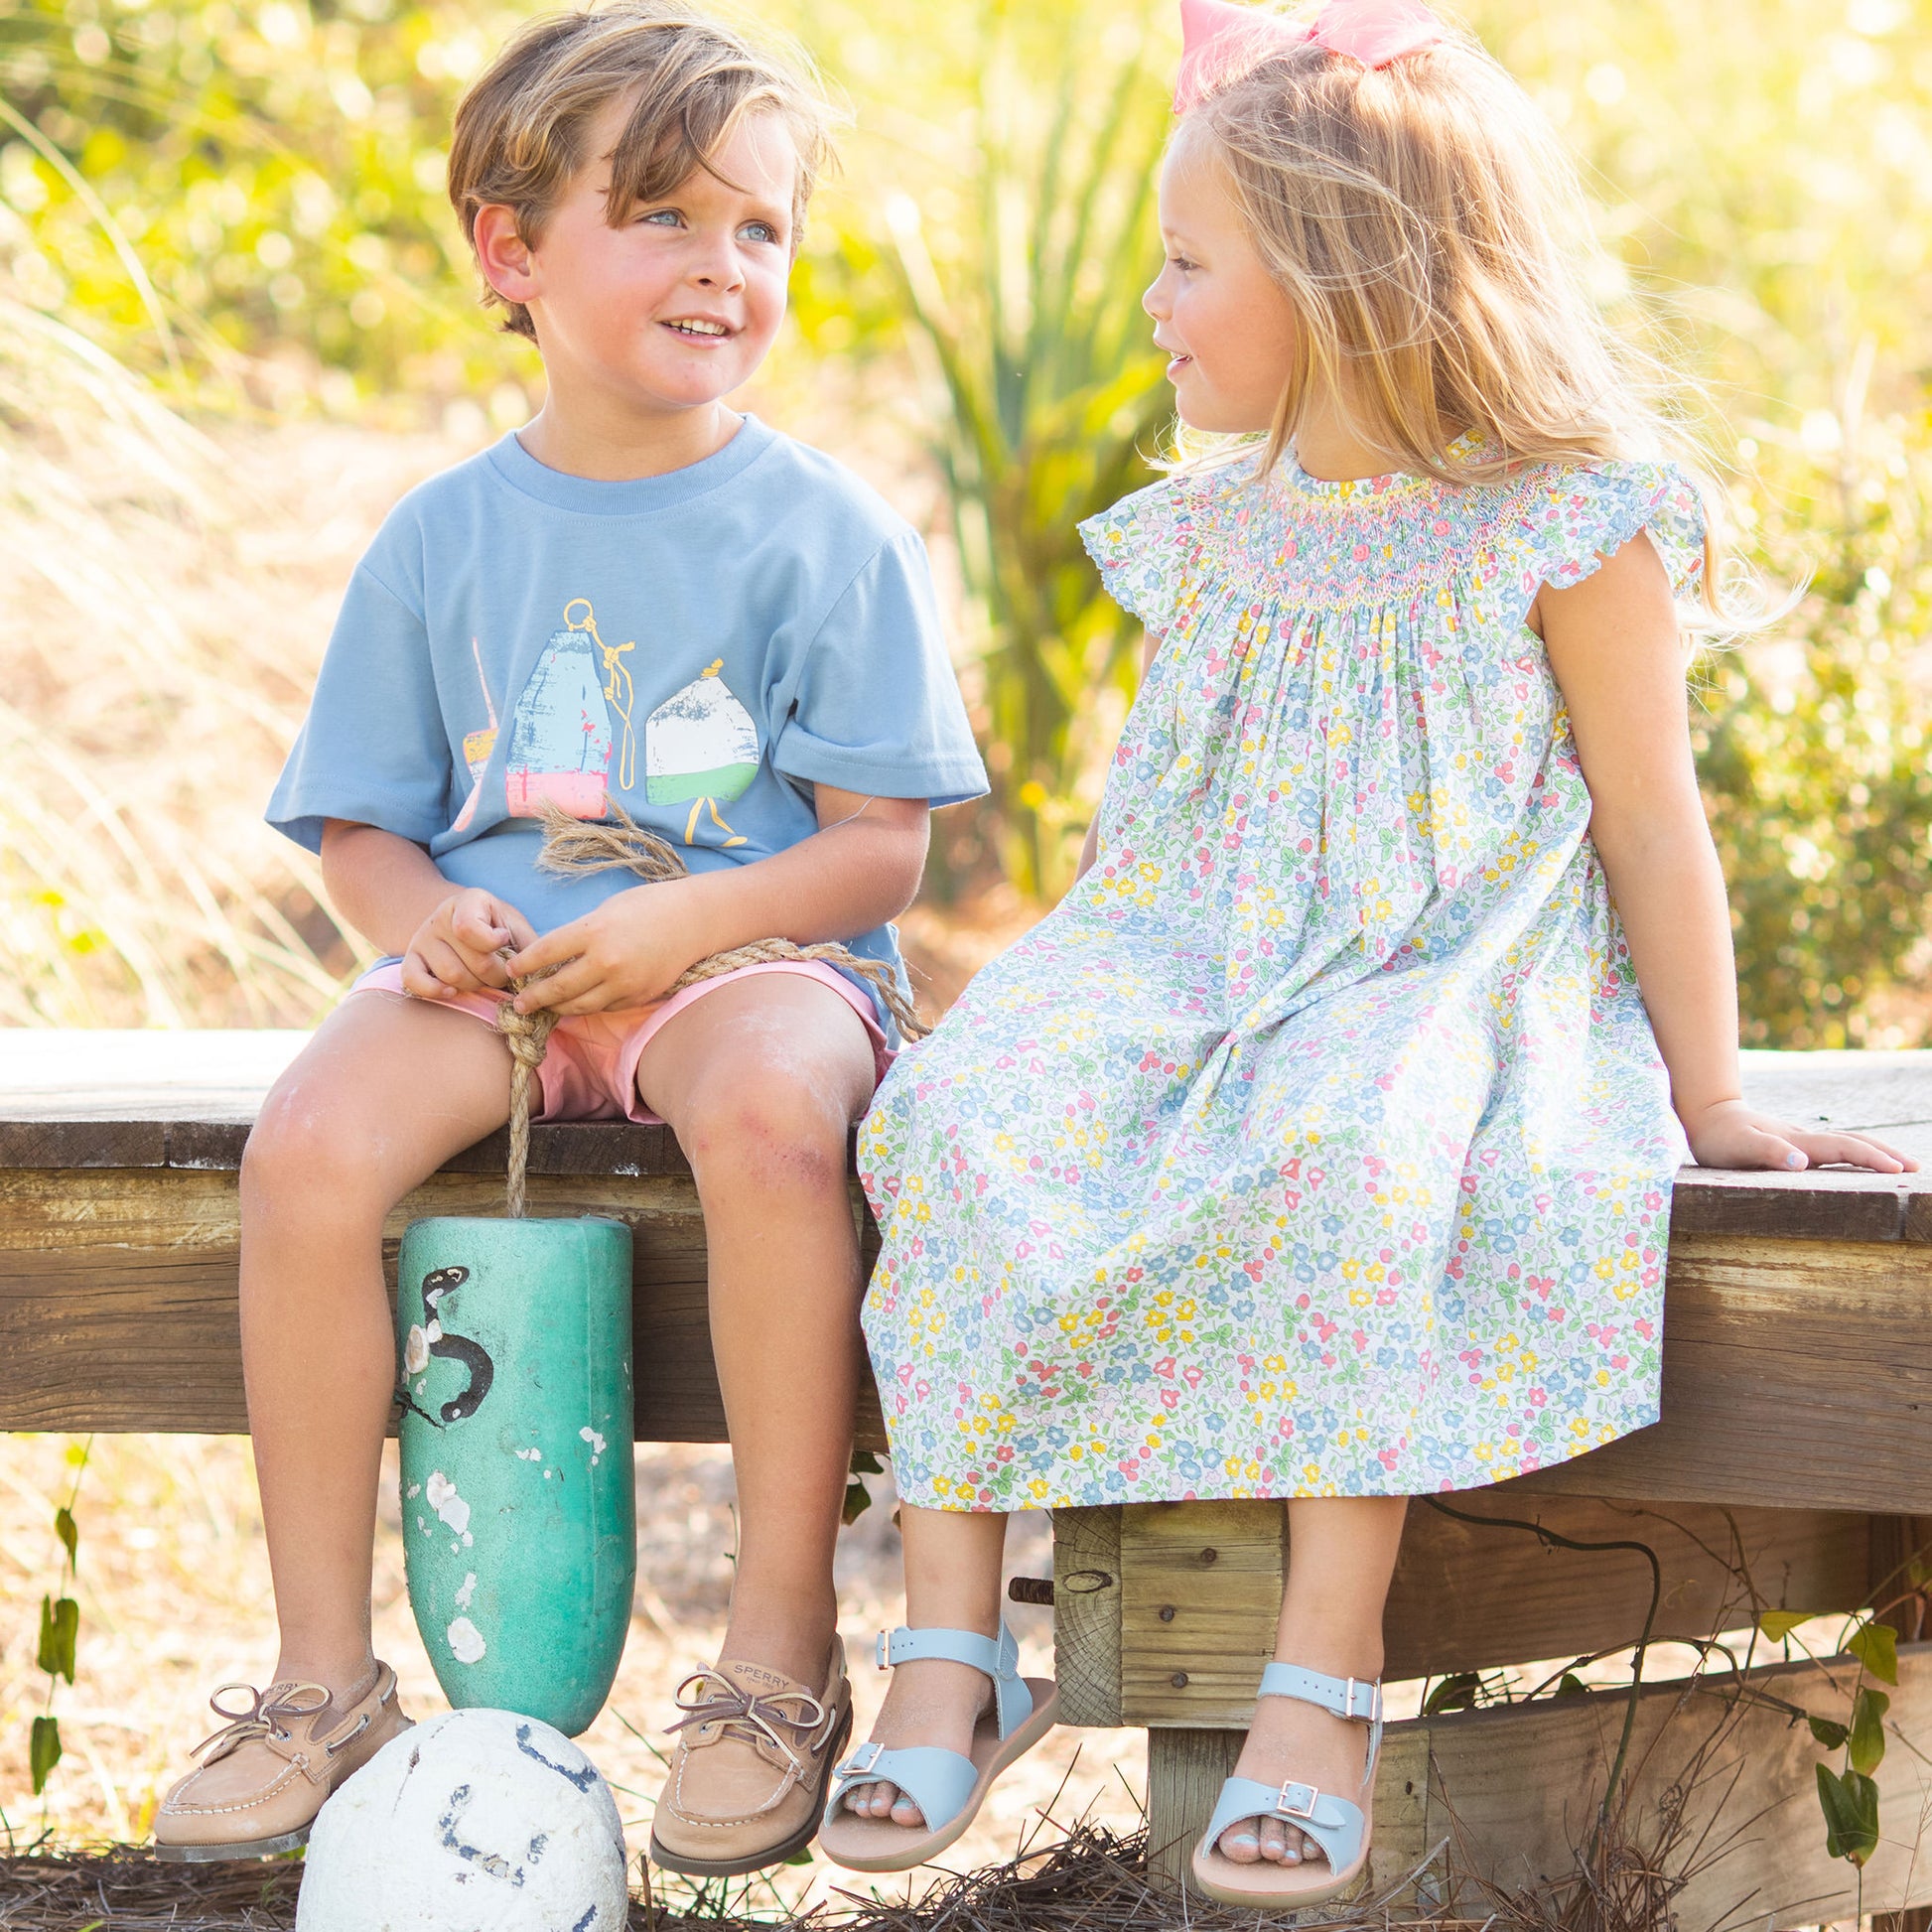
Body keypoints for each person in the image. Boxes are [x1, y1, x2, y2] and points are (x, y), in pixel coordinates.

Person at [820, 0, 1913, 1904]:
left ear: (1337, 275)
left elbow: (1652, 819)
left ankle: (1319, 1679)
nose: (1152, 298)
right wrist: (1122, 1006)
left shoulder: (1561, 520)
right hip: (1187, 949)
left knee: (1358, 1149)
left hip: (1444, 968)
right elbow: (1169, 830)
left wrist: (1714, 1093)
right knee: (966, 1109)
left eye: (1184, 260)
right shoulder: (1204, 529)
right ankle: (948, 1647)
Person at [151, 0, 987, 1875]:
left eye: (759, 227)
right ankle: (317, 1678)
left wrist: (694, 916)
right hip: (504, 978)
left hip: (754, 961)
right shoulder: (442, 536)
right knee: (305, 1145)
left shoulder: (818, 532)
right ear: (509, 251)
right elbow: (357, 827)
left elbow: (877, 856)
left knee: (776, 1109)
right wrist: (418, 922)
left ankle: (777, 1653)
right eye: (666, 214)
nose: (723, 264)